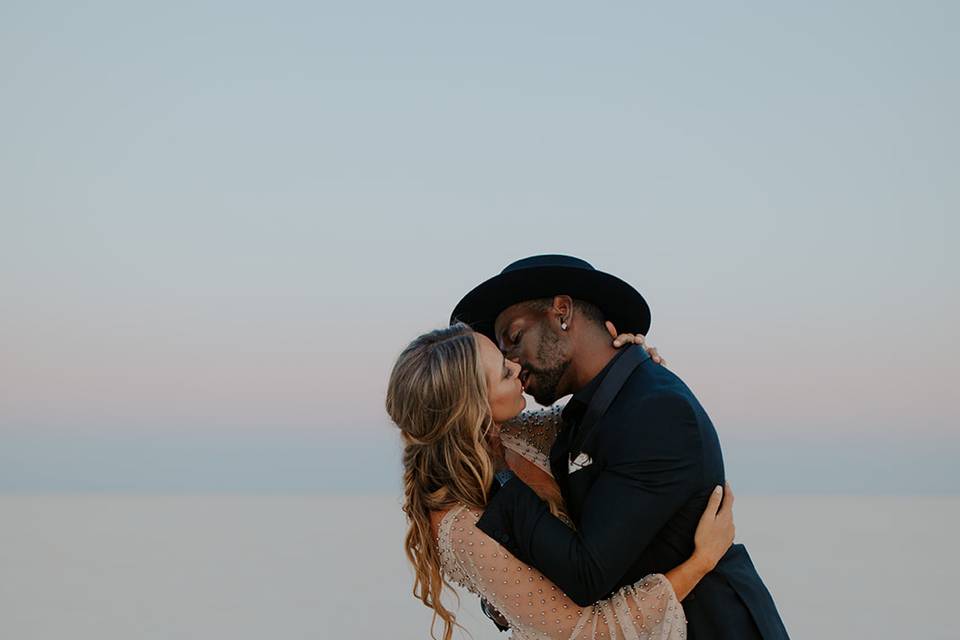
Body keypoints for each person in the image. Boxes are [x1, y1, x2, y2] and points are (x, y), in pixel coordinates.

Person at [449, 254, 790, 639]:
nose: (512, 363)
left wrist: (502, 476)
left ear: (562, 312)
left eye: (514, 338)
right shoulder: (584, 413)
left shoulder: (656, 409)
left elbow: (587, 574)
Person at [386, 323, 736, 640]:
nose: (518, 367)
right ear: (472, 405)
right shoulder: (458, 523)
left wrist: (632, 367)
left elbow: (616, 413)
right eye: (505, 372)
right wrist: (700, 562)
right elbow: (584, 631)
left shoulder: (521, 435)